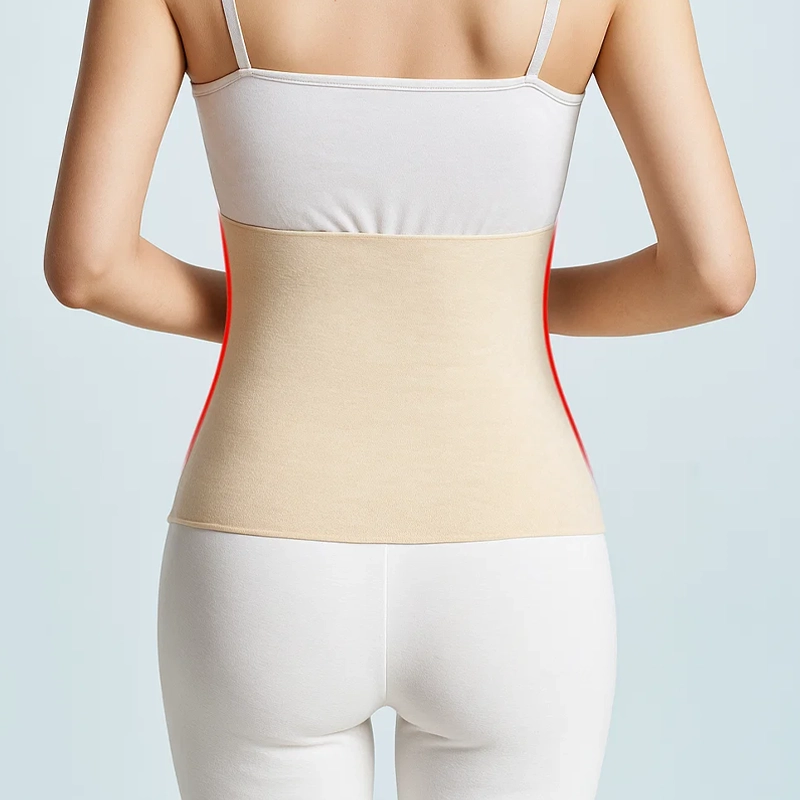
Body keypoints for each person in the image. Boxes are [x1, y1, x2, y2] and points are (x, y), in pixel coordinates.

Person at [43, 0, 755, 797]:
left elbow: (90, 265)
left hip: (261, 557)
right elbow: (712, 275)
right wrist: (488, 300)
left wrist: (286, 306)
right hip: (518, 554)